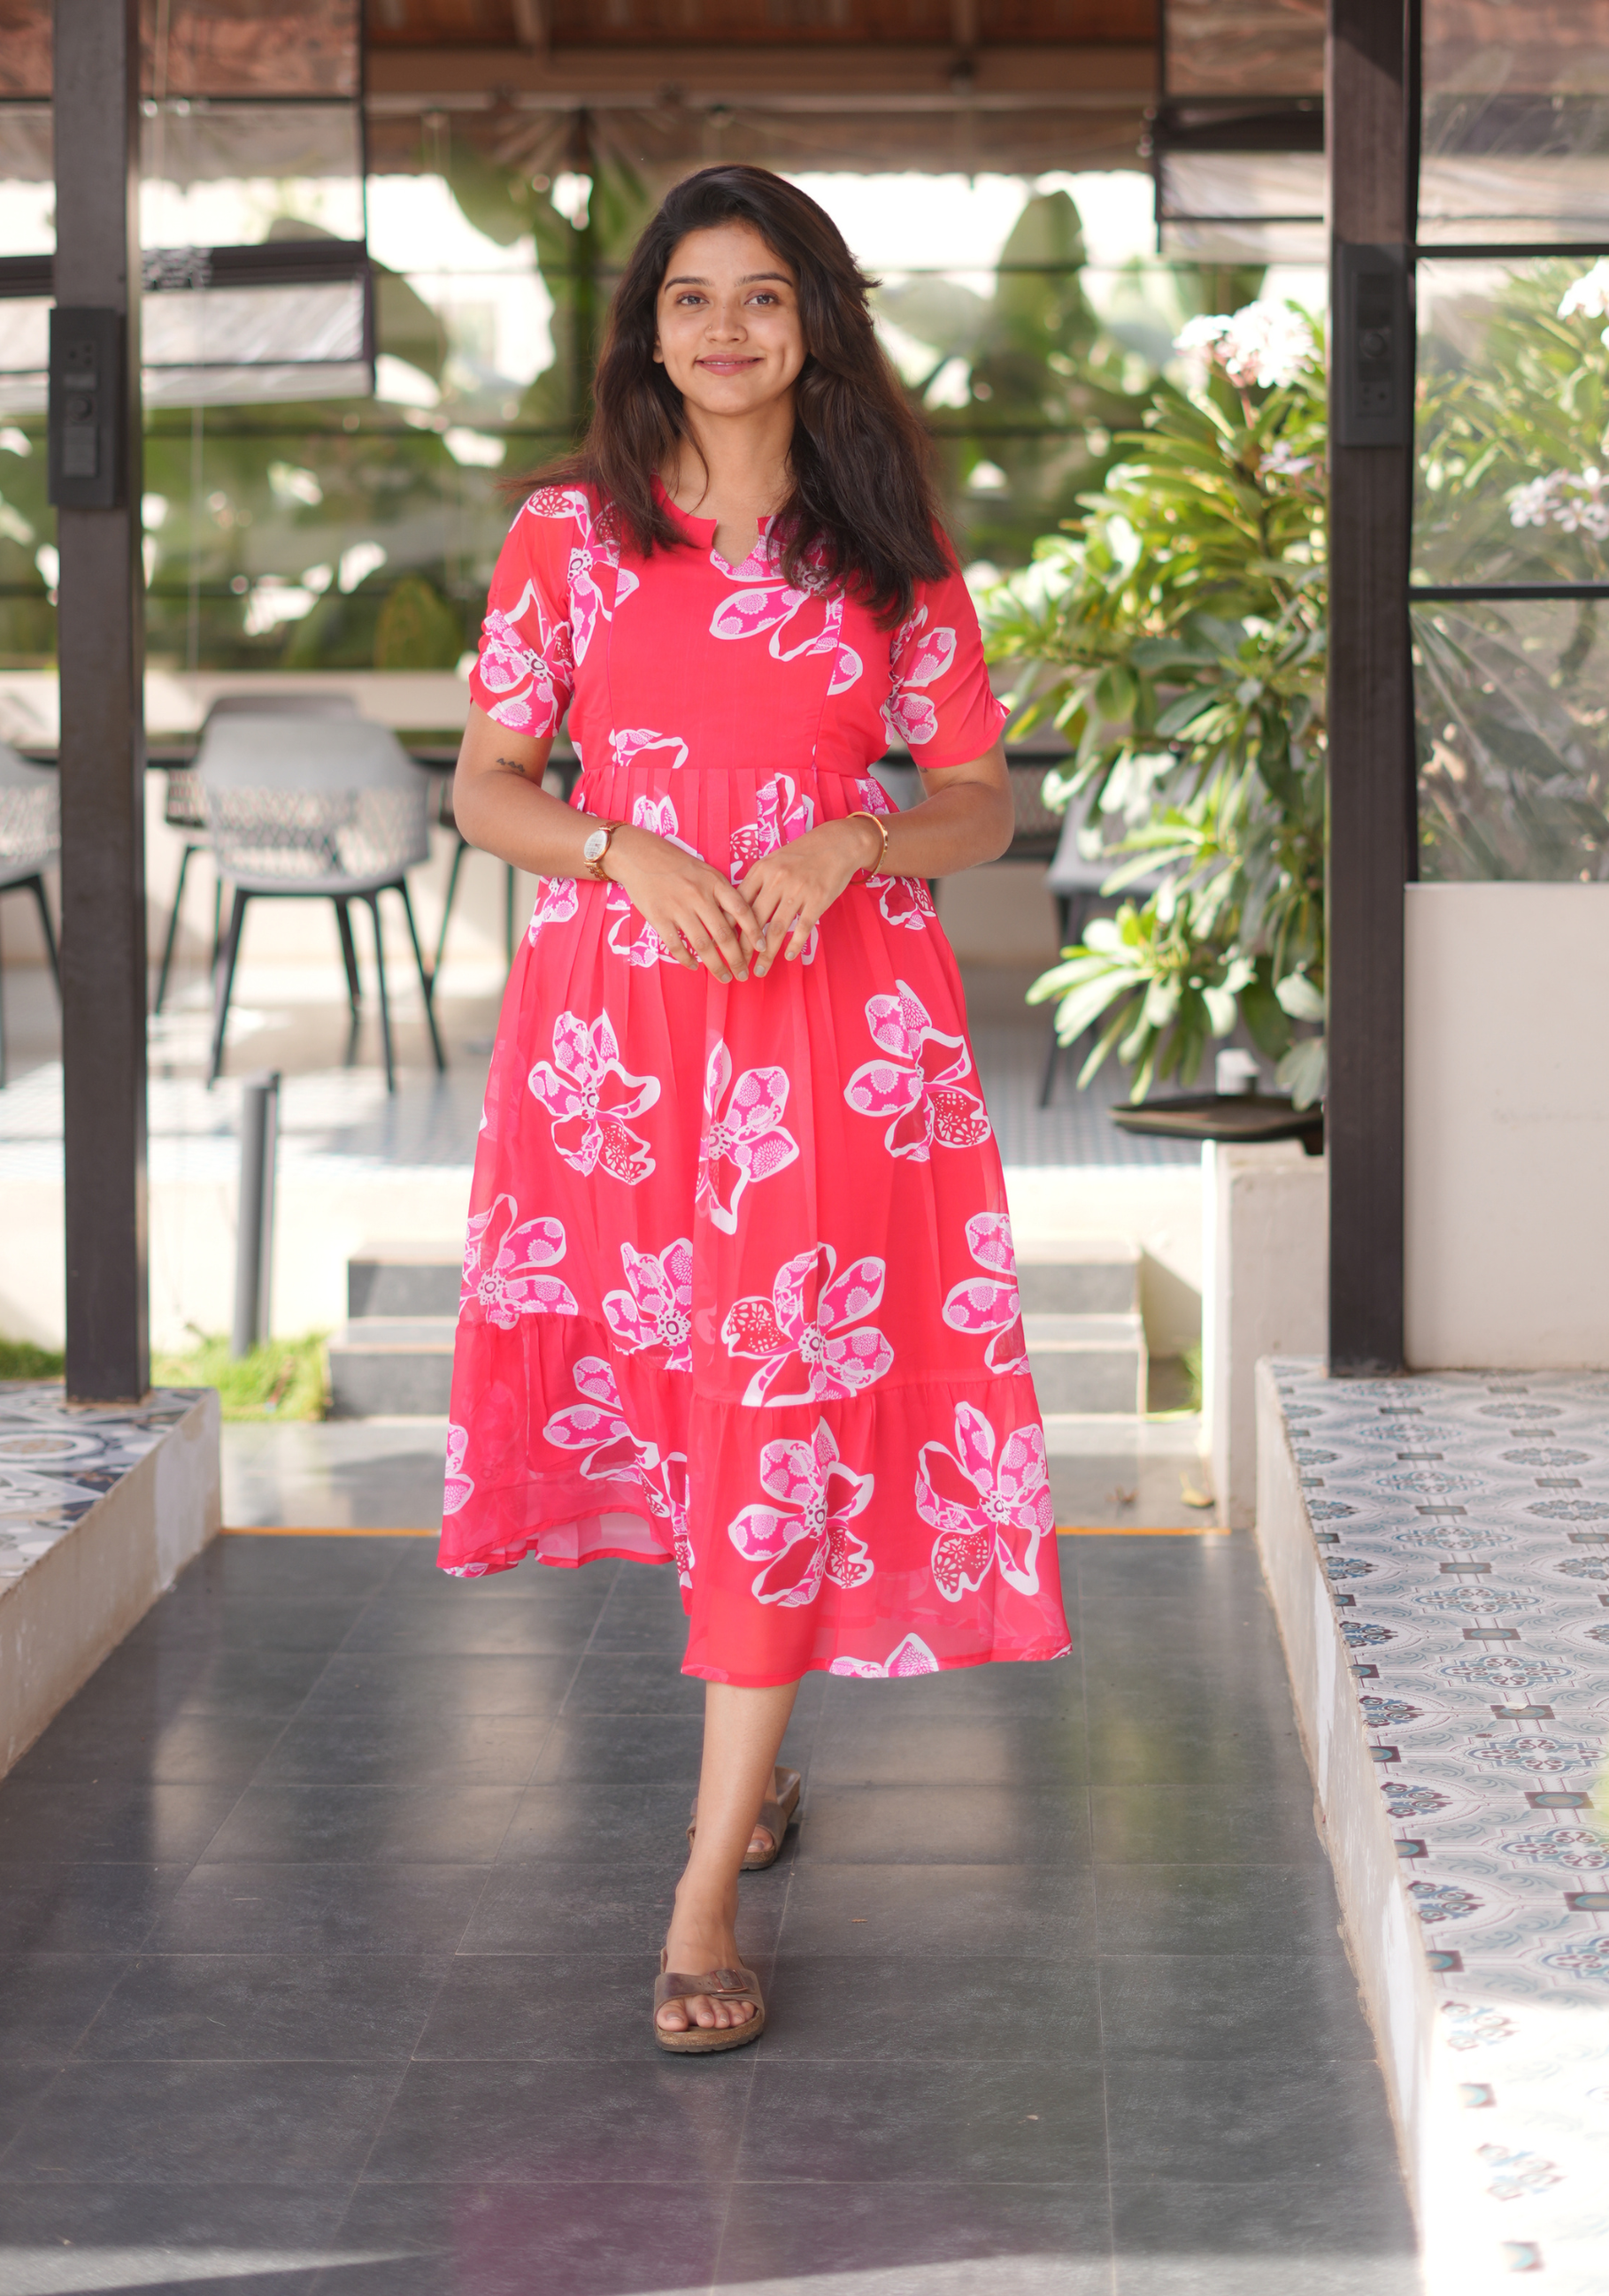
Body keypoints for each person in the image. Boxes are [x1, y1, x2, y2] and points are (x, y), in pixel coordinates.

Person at [441, 163, 1070, 2054]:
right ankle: (760, 1743)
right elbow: (487, 782)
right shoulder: (568, 534)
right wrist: (619, 845)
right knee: (682, 1399)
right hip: (621, 1047)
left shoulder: (886, 544)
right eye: (690, 296)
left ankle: (704, 1885)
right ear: (648, 333)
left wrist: (857, 838)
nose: (725, 328)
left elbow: (980, 799)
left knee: (781, 1412)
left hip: (834, 1035)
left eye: (764, 295)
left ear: (816, 325)